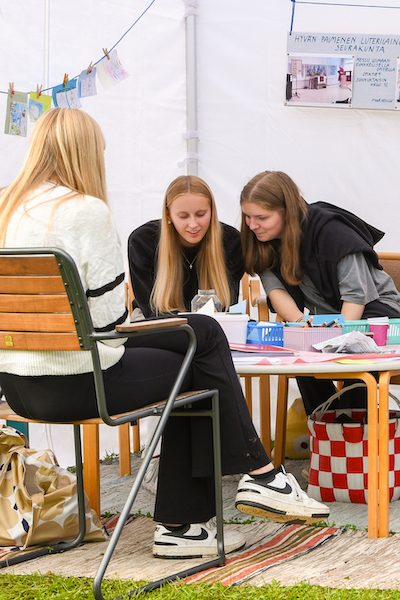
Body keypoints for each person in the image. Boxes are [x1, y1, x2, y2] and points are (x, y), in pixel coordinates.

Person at [0, 110, 329, 560]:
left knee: (197, 340)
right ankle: (243, 486)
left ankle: (215, 509)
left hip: (19, 388)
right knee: (199, 345)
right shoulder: (85, 211)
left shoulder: (6, 205)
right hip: (81, 383)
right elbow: (109, 319)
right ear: (85, 152)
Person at [240, 170, 400, 415]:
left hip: (376, 313)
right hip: (328, 321)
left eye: (262, 217)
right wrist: (302, 327)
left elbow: (356, 296)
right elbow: (276, 292)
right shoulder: (262, 240)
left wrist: (339, 339)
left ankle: (350, 423)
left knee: (359, 354)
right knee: (298, 352)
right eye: (247, 217)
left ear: (287, 211)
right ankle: (323, 422)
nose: (252, 225)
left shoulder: (332, 232)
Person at [128, 175, 244, 318]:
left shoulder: (231, 241)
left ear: (212, 211)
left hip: (212, 324)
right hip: (156, 321)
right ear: (168, 214)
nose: (193, 224)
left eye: (201, 214)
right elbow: (150, 309)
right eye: (183, 216)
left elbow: (227, 307)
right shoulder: (143, 241)